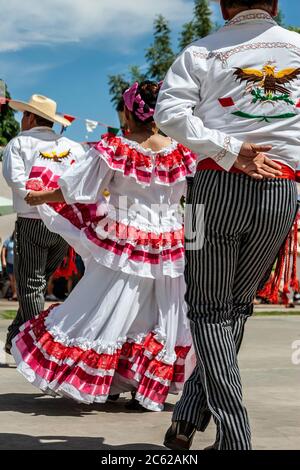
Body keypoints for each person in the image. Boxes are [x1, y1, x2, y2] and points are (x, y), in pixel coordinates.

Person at [154, 0, 299, 450]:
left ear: (222, 5)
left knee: (208, 310)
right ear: (275, 3)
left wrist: (228, 148)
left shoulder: (200, 52)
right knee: (233, 308)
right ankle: (188, 414)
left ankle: (235, 437)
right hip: (284, 193)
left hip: (210, 192)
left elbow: (169, 115)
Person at [11, 81, 195, 411]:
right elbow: (197, 201)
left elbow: (79, 190)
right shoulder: (183, 153)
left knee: (109, 309)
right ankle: (141, 386)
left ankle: (112, 381)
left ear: (127, 112)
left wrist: (42, 196)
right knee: (160, 314)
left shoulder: (116, 149)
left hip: (128, 242)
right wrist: (195, 242)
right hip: (172, 244)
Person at [2, 94, 85, 354]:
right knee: (36, 286)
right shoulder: (75, 147)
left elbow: (15, 179)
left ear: (29, 117)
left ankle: (36, 348)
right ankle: (15, 336)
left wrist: (38, 195)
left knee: (31, 287)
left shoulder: (20, 143)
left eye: (23, 115)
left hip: (31, 220)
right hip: (64, 223)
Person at [1, 233, 17, 301]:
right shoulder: (8, 240)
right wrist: (3, 260)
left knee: (15, 280)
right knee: (12, 280)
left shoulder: (19, 240)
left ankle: (16, 294)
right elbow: (3, 251)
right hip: (9, 264)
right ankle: (14, 294)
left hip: (17, 264)